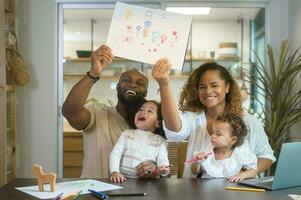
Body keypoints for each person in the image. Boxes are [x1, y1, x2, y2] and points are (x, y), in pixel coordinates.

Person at [152, 60, 276, 178]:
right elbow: (175, 130)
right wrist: (164, 85)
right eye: (202, 87)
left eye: (214, 85)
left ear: (227, 87)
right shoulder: (194, 118)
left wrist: (248, 173)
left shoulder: (249, 121)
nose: (208, 91)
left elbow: (266, 156)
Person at [62, 45, 157, 178]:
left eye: (140, 83)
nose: (133, 84)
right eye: (127, 80)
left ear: (145, 93)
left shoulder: (150, 127)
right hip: (95, 193)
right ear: (118, 87)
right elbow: (70, 112)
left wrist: (153, 168)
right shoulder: (98, 115)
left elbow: (158, 164)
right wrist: (93, 74)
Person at [109, 100, 170, 183]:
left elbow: (163, 160)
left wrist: (163, 169)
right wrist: (114, 171)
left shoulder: (160, 142)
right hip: (123, 179)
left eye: (149, 111)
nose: (143, 112)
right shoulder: (127, 134)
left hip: (147, 183)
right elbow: (116, 153)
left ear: (158, 123)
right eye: (140, 110)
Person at [190, 113, 257, 182]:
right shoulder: (208, 150)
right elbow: (194, 172)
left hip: (231, 190)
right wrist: (197, 162)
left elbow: (253, 171)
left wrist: (242, 175)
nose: (212, 136)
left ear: (233, 140)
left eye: (218, 134)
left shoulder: (241, 153)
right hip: (208, 190)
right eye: (213, 132)